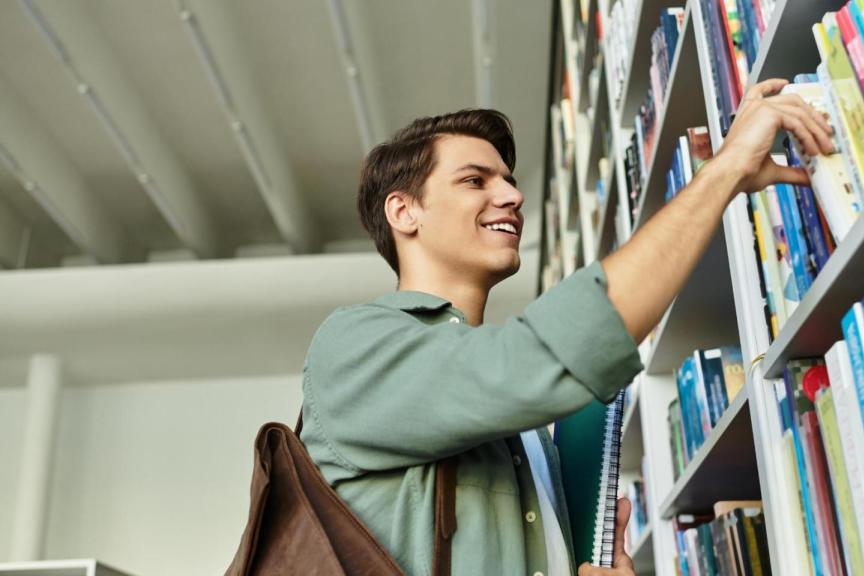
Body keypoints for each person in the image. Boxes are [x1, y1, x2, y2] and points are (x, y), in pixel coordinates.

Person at [299, 78, 833, 576]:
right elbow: (535, 359)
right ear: (403, 211)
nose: (512, 195)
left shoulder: (527, 428)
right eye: (474, 180)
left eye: (508, 180)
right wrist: (723, 172)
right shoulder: (352, 346)